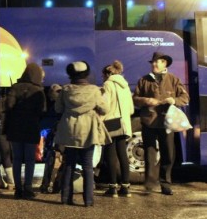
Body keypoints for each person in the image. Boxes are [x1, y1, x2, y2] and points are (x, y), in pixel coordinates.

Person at [54, 61, 110, 207]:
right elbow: (104, 109)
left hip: (69, 131)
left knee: (69, 164)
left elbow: (58, 109)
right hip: (88, 132)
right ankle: (88, 200)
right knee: (87, 165)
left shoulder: (65, 90)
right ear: (86, 74)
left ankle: (65, 198)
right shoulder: (94, 90)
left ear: (70, 74)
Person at [133, 52, 189, 195]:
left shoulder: (173, 80)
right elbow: (135, 98)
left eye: (157, 62)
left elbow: (185, 97)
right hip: (148, 122)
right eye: (152, 62)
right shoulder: (144, 80)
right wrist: (145, 101)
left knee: (168, 154)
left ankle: (165, 183)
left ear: (165, 63)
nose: (154, 64)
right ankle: (150, 183)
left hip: (166, 124)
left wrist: (174, 101)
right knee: (150, 154)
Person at [5, 62, 46, 200]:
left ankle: (18, 189)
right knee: (29, 160)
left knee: (16, 159)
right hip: (31, 128)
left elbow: (9, 105)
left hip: (15, 128)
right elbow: (42, 110)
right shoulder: (38, 91)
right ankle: (28, 188)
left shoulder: (15, 87)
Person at [101, 60, 134, 197]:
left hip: (111, 122)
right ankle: (125, 187)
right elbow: (131, 109)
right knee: (123, 154)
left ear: (108, 73)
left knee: (110, 155)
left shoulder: (107, 84)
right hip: (124, 123)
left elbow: (105, 106)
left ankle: (112, 187)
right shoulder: (125, 85)